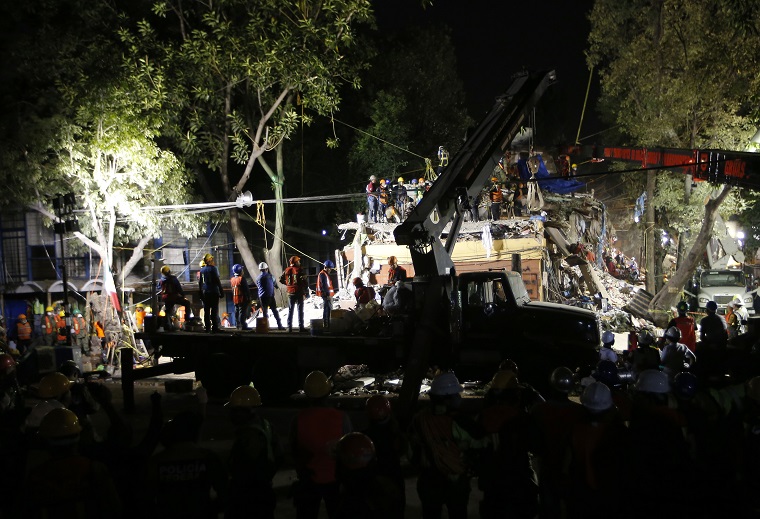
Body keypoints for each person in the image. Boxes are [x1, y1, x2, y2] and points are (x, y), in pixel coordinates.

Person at [408, 371, 488, 519]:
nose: (459, 397)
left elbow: (412, 452)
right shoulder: (459, 422)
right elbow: (481, 443)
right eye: (456, 394)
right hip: (455, 483)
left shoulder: (419, 419)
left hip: (428, 481)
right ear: (446, 398)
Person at [22, 408, 122, 519]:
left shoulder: (36, 476)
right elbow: (113, 508)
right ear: (78, 438)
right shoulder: (94, 469)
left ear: (46, 443)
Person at [290, 371, 352, 519]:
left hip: (308, 479)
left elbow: (294, 449)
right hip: (335, 478)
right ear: (328, 392)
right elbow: (350, 447)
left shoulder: (298, 419)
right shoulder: (341, 417)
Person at [144, 410, 228, 519]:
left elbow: (145, 498)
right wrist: (210, 509)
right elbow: (224, 492)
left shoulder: (156, 461)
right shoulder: (209, 458)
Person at [225, 385, 281, 519]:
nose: (231, 414)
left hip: (248, 497)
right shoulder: (266, 425)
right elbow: (278, 456)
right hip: (264, 492)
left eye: (234, 410)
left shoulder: (249, 436)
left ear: (245, 411)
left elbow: (245, 471)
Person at [282, 256, 308, 333]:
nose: (299, 263)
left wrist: (288, 285)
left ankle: (289, 327)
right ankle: (301, 327)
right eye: (298, 262)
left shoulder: (286, 270)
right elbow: (303, 281)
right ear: (296, 262)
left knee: (290, 310)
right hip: (298, 292)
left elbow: (281, 279)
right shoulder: (299, 270)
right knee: (300, 310)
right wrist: (305, 288)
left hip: (290, 292)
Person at [199, 253, 224, 334]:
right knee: (214, 310)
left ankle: (207, 328)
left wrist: (200, 293)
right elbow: (217, 280)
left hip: (206, 292)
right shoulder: (214, 269)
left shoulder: (202, 270)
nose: (213, 261)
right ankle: (215, 328)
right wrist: (221, 291)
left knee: (206, 311)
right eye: (212, 259)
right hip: (214, 292)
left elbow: (200, 283)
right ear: (210, 260)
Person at [256, 262, 285, 331]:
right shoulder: (271, 276)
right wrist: (276, 287)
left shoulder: (258, 278)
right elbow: (274, 284)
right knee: (275, 311)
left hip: (262, 297)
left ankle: (266, 327)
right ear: (266, 269)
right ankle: (280, 326)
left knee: (265, 312)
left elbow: (258, 285)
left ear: (260, 269)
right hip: (270, 296)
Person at [230, 263, 252, 330]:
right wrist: (249, 298)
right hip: (242, 298)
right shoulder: (242, 279)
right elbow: (246, 289)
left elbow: (232, 289)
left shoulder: (232, 279)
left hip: (235, 298)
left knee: (237, 312)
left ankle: (238, 325)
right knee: (242, 312)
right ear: (240, 271)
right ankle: (243, 325)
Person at [316, 260, 335, 329]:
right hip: (326, 295)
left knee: (327, 309)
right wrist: (327, 295)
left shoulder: (325, 274)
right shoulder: (323, 274)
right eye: (330, 268)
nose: (330, 270)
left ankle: (327, 324)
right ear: (326, 267)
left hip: (328, 295)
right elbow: (324, 286)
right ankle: (327, 324)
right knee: (327, 309)